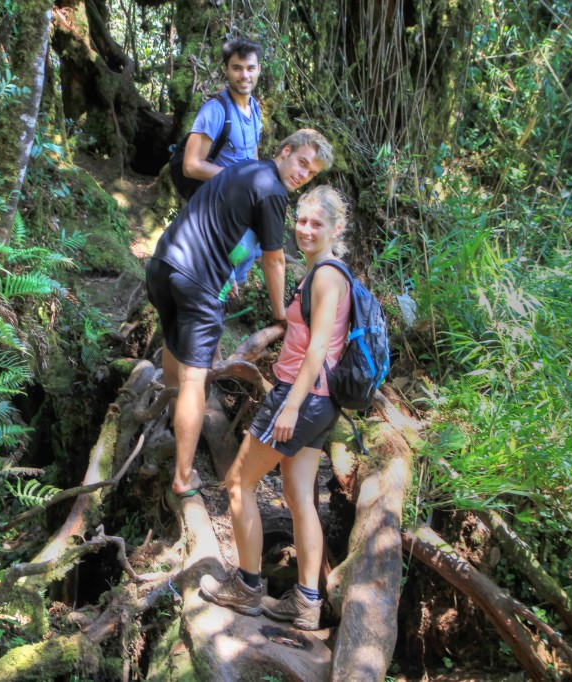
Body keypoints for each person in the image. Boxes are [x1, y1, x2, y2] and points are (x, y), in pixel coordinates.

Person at [197, 185, 354, 631]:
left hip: (301, 398)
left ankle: (246, 588)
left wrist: (290, 407)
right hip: (321, 401)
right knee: (300, 497)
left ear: (335, 228)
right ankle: (305, 602)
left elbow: (319, 348)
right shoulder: (323, 271)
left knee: (237, 483)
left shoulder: (326, 275)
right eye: (301, 221)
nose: (305, 229)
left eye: (316, 223)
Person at [146, 130, 334, 499]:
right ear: (284, 152)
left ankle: (167, 423)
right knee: (195, 379)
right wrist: (282, 313)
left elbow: (220, 223)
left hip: (163, 263)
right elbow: (274, 258)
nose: (302, 174)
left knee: (174, 344)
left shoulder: (243, 169)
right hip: (197, 281)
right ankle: (183, 477)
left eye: (310, 173)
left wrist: (228, 272)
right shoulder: (274, 193)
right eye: (301, 163)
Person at [182, 38, 264, 299]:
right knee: (215, 284)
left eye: (250, 68)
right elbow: (191, 165)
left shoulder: (255, 109)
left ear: (259, 69)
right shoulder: (215, 110)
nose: (245, 75)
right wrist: (237, 177)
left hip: (244, 215)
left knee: (238, 267)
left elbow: (252, 153)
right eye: (237, 68)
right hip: (217, 213)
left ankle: (221, 299)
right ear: (226, 70)